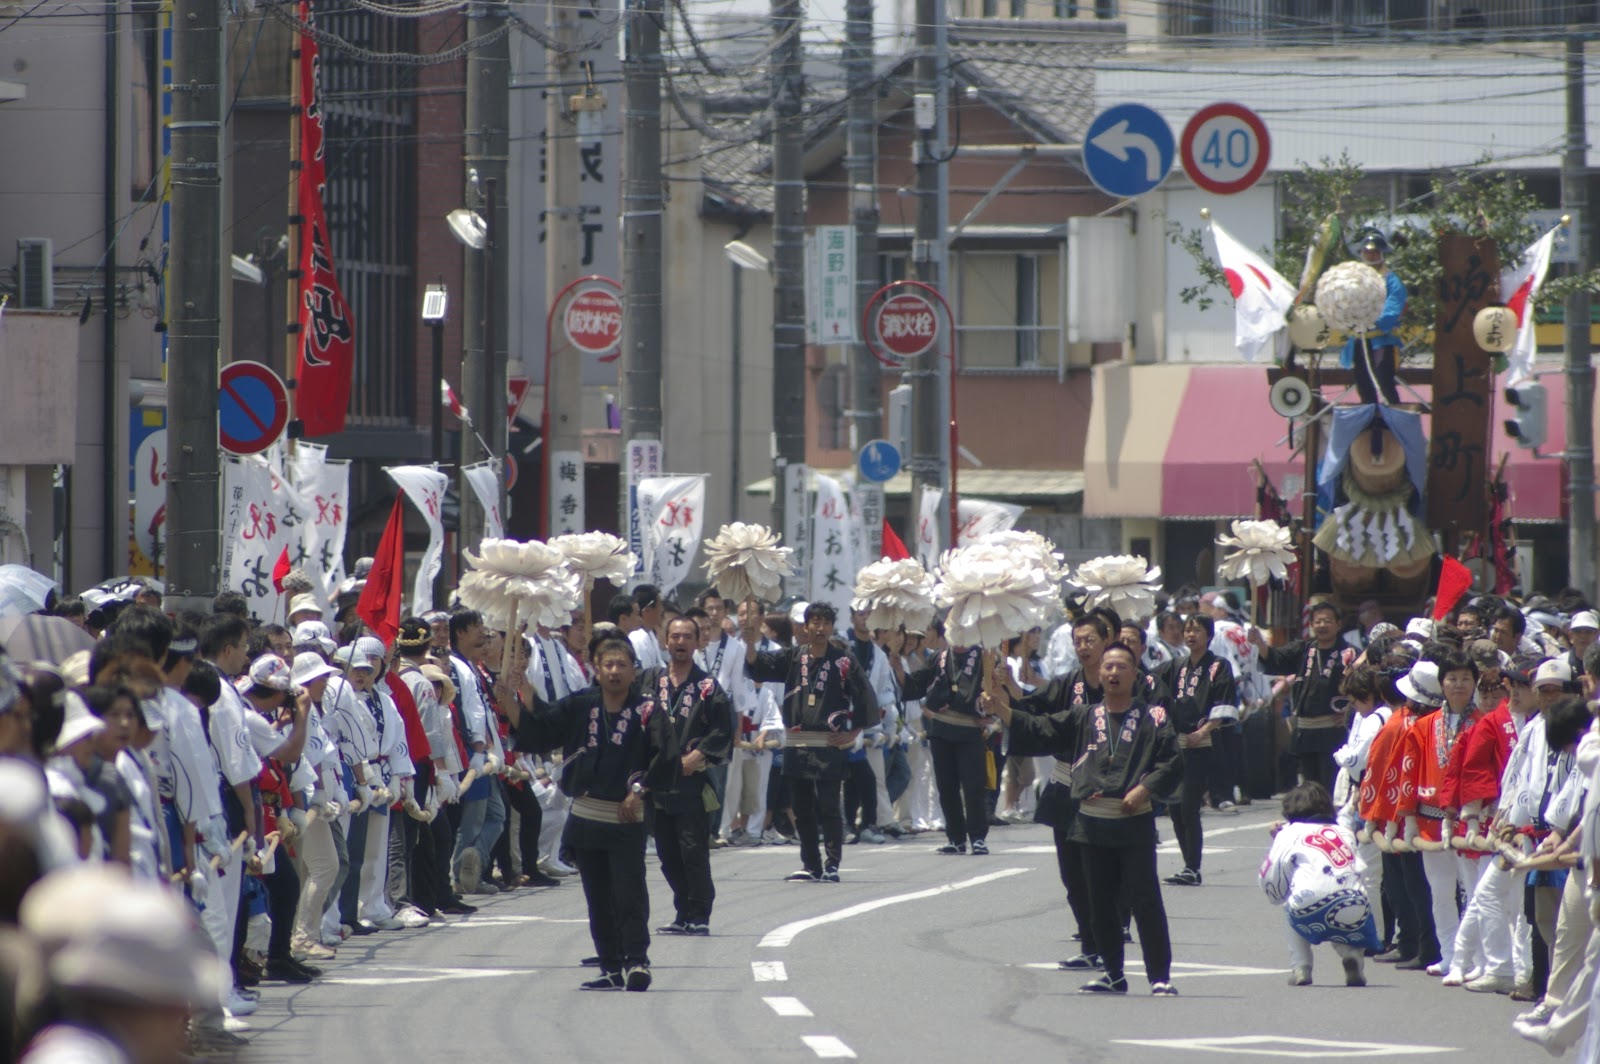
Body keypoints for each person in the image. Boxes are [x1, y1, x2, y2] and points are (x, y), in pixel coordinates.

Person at [985, 642, 1181, 996]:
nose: (1113, 672)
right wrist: (1002, 708)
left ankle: (1160, 976)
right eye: (1108, 666)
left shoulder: (1154, 718)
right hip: (1090, 822)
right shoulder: (1083, 716)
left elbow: (1171, 761)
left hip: (1133, 820)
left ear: (1135, 674)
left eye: (1121, 666)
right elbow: (1042, 727)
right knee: (1099, 901)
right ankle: (1113, 973)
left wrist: (1145, 789)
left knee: (1145, 898)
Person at [504, 633, 661, 991]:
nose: (615, 671)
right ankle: (609, 965)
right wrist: (517, 694)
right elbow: (543, 727)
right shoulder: (581, 704)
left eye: (622, 664)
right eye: (609, 664)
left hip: (626, 817)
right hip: (587, 817)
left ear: (634, 671)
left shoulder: (648, 710)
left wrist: (639, 790)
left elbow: (663, 758)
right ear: (597, 669)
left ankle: (637, 960)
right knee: (598, 898)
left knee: (629, 894)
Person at [741, 602, 879, 883]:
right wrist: (751, 642)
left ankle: (832, 864)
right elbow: (758, 667)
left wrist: (854, 733)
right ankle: (810, 864)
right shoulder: (793, 657)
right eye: (814, 622)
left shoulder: (844, 660)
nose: (819, 627)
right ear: (805, 626)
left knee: (828, 806)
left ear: (831, 627)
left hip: (827, 743)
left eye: (824, 622)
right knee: (802, 810)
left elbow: (865, 698)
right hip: (797, 744)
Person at [1007, 612, 1113, 971]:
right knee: (1072, 874)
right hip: (1069, 784)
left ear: (1106, 640)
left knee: (1105, 874)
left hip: (1112, 792)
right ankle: (1089, 943)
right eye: (1078, 641)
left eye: (1090, 640)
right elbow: (1033, 712)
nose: (1083, 647)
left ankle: (1109, 940)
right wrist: (1005, 691)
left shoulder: (1130, 683)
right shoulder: (1066, 684)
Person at [633, 615, 732, 935]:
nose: (680, 642)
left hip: (690, 781)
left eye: (687, 636)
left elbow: (722, 729)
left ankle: (700, 913)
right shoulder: (649, 681)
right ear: (665, 640)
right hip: (657, 783)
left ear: (697, 641)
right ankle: (682, 910)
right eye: (674, 636)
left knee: (693, 850)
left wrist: (698, 755)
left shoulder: (707, 686)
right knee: (666, 853)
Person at [1260, 782, 1379, 987]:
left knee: (1293, 904)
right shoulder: (1344, 832)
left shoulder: (1288, 833)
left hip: (1307, 903)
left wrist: (1279, 895)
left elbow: (1273, 874)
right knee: (1341, 918)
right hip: (1355, 902)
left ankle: (1301, 967)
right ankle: (1351, 955)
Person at [1161, 614, 1237, 887]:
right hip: (1176, 743)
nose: (1191, 635)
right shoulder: (1175, 666)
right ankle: (1187, 865)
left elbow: (1224, 704)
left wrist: (1203, 731)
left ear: (1209, 635)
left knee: (1189, 806)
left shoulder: (1219, 666)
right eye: (1187, 630)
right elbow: (1152, 688)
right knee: (1175, 807)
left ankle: (1193, 867)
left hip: (1202, 742)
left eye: (1197, 630)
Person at [1251, 601, 1356, 792]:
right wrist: (1259, 642)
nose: (1322, 625)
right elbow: (1275, 659)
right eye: (1318, 621)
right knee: (1309, 785)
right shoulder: (1304, 649)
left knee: (1331, 785)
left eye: (1327, 621)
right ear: (1312, 624)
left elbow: (1362, 688)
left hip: (1333, 730)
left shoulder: (1350, 652)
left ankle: (1329, 819)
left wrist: (1350, 713)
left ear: (1338, 624)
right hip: (1306, 730)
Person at [901, 641, 992, 856]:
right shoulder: (938, 657)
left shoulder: (984, 657)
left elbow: (996, 690)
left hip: (970, 729)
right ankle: (956, 838)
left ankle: (978, 837)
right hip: (941, 729)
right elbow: (916, 686)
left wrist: (991, 714)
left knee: (973, 788)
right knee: (946, 787)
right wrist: (898, 666)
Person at [1342, 227, 1406, 406]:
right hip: (1359, 338)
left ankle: (1392, 423)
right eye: (1367, 252)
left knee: (1384, 382)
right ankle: (1370, 423)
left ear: (1382, 253)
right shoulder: (1354, 278)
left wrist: (1377, 322)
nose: (1370, 256)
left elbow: (1394, 304)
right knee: (1363, 384)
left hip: (1382, 341)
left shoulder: (1391, 280)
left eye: (1375, 252)